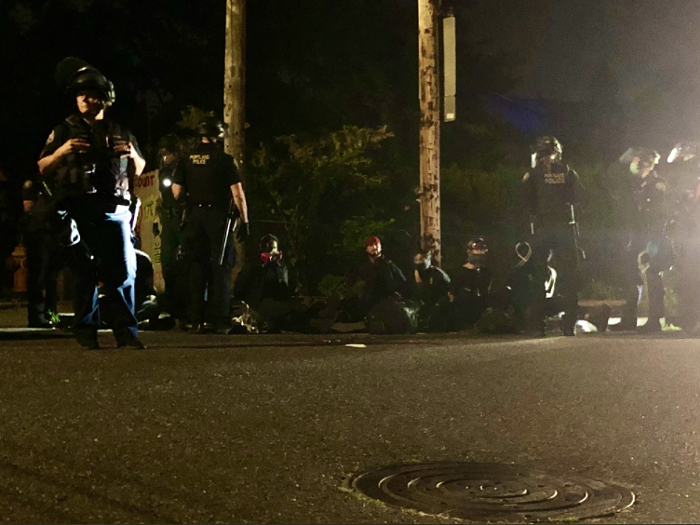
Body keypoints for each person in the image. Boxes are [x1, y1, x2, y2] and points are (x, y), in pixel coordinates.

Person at [38, 57, 147, 349]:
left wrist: (131, 154)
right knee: (85, 271)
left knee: (124, 273)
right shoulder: (64, 130)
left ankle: (127, 333)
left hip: (115, 210)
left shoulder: (121, 130)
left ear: (105, 100)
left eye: (92, 94)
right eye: (81, 94)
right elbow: (42, 166)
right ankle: (86, 333)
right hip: (79, 209)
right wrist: (63, 151)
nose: (86, 99)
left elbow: (140, 167)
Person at [171, 116, 250, 334]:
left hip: (194, 216)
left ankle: (196, 318)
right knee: (221, 267)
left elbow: (176, 191)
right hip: (218, 218)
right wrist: (244, 221)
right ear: (219, 136)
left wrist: (189, 207)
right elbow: (237, 194)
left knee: (196, 267)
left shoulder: (186, 159)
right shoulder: (224, 160)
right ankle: (220, 320)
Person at [521, 136, 582, 336]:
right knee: (569, 276)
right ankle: (568, 323)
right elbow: (577, 198)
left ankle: (537, 325)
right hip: (565, 228)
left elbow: (523, 202)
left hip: (543, 229)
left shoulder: (533, 174)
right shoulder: (568, 172)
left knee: (538, 275)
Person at [616, 148, 671, 333]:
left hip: (652, 236)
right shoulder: (640, 183)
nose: (632, 164)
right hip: (639, 235)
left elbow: (660, 214)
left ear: (643, 163)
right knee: (632, 275)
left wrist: (653, 239)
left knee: (652, 274)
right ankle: (628, 318)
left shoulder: (656, 184)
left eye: (635, 160)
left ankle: (654, 320)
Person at [21, 176, 63, 328]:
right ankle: (37, 315)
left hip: (55, 232)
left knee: (52, 276)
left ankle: (52, 313)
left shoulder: (61, 181)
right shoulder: (36, 182)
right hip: (38, 233)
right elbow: (29, 207)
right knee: (38, 275)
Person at [234, 234, 297, 332]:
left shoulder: (282, 266)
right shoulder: (253, 266)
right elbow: (239, 288)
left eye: (274, 249)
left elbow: (288, 287)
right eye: (268, 249)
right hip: (260, 304)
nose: (272, 252)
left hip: (278, 302)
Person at [155, 135, 186, 318]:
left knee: (184, 261)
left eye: (168, 153)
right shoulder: (163, 171)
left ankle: (183, 301)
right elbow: (162, 197)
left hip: (181, 218)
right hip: (167, 218)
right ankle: (170, 298)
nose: (164, 156)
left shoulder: (181, 168)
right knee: (167, 261)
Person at [448, 237, 494, 330]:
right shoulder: (461, 271)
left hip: (481, 304)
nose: (479, 253)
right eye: (477, 249)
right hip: (464, 304)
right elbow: (453, 291)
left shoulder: (486, 272)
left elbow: (488, 289)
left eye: (481, 249)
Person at [413, 250, 450, 331]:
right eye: (417, 260)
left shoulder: (437, 273)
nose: (419, 262)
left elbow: (443, 290)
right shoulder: (414, 273)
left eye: (422, 259)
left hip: (438, 301)